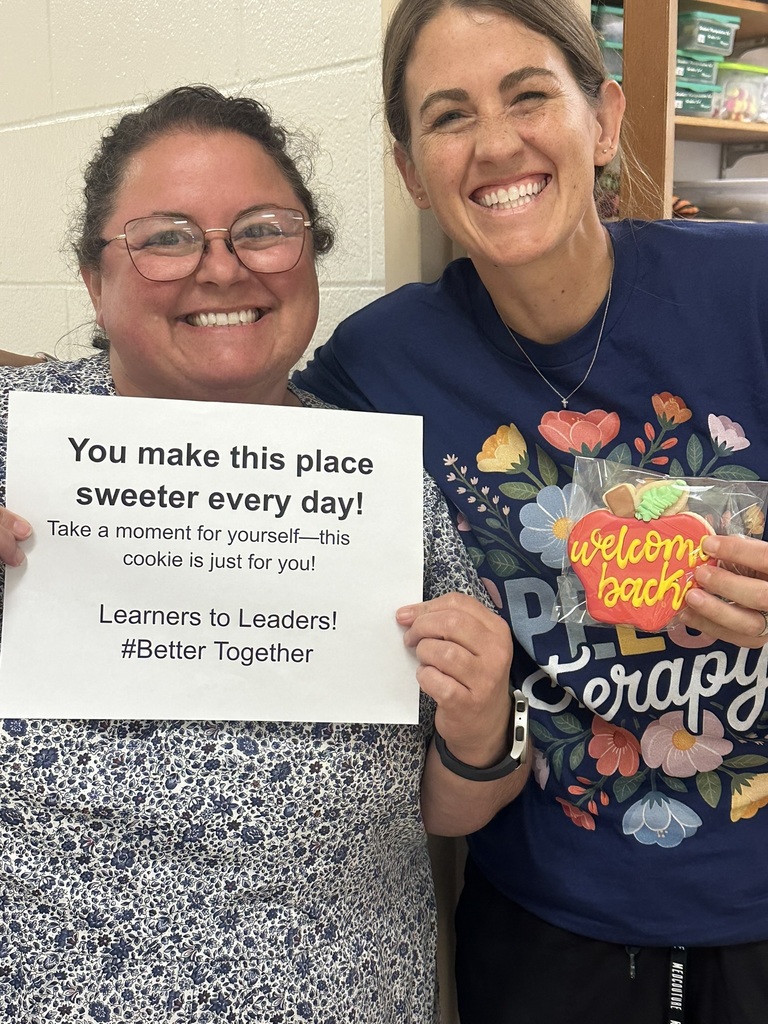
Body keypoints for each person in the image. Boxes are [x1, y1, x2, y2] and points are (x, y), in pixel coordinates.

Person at [0, 85, 528, 1021]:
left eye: (263, 229)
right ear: (94, 277)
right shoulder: (16, 449)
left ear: (310, 255)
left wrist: (484, 730)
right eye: (165, 238)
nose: (222, 270)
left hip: (344, 990)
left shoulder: (382, 485)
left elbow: (448, 811)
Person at [293, 2, 768, 1022]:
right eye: (450, 114)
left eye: (528, 96)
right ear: (413, 169)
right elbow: (223, 474)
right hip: (545, 933)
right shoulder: (380, 365)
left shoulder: (749, 284)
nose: (497, 142)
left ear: (603, 120)